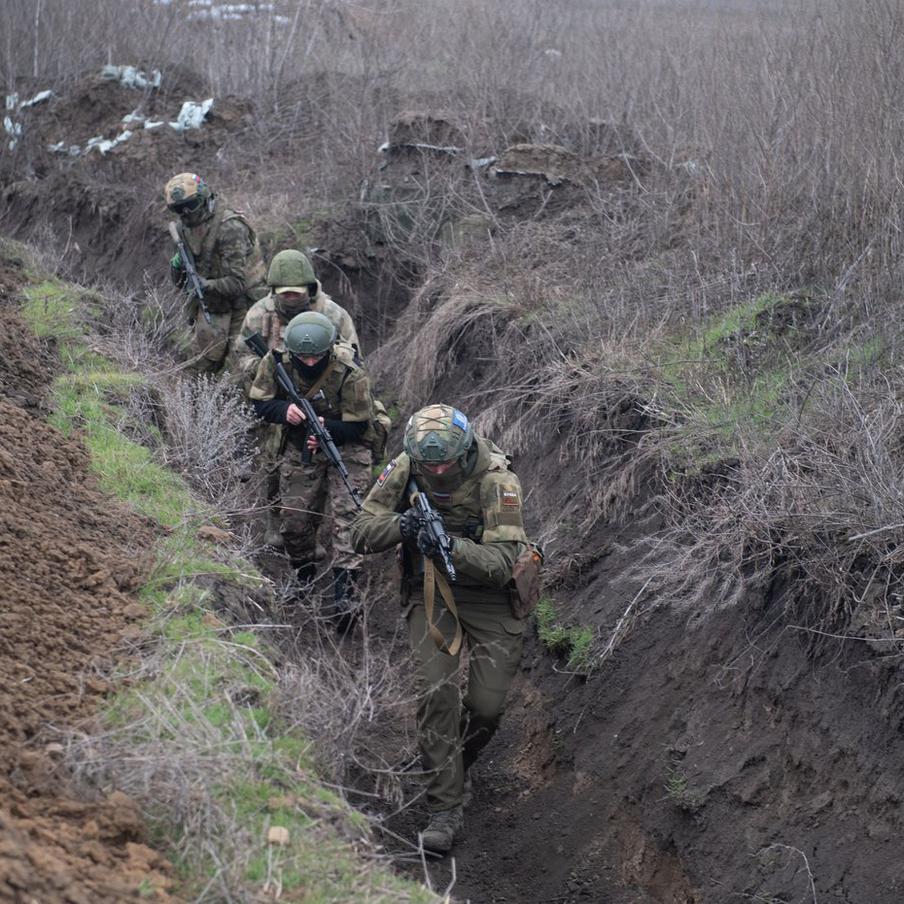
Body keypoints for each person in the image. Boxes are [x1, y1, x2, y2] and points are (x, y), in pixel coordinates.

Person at [350, 404, 530, 854]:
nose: (438, 470)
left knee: (486, 708)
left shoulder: (497, 479)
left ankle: (451, 764)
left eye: (446, 462)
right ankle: (444, 808)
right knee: (436, 692)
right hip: (430, 590)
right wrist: (403, 527)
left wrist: (451, 544)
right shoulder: (407, 465)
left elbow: (502, 563)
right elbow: (360, 531)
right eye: (430, 465)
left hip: (490, 596)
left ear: (466, 449)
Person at [248, 310, 375, 627]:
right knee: (294, 521)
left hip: (347, 447)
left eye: (315, 356)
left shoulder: (349, 371)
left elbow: (360, 424)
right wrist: (284, 410)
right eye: (302, 357)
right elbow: (260, 402)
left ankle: (344, 595)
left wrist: (326, 426)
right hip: (299, 444)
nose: (308, 362)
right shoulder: (277, 361)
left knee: (349, 518)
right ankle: (303, 573)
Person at [234, 249, 362, 548]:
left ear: (309, 288)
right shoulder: (258, 315)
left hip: (322, 404)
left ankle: (311, 532)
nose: (291, 299)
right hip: (274, 402)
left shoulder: (333, 315)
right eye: (284, 294)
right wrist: (268, 369)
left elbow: (354, 362)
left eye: (297, 294)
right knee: (272, 462)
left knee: (314, 465)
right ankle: (275, 522)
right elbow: (240, 358)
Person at [165, 172, 267, 374]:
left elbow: (237, 283)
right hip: (213, 304)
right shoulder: (182, 230)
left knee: (240, 369)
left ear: (204, 199)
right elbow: (180, 283)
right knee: (197, 367)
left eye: (191, 205)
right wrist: (178, 264)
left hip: (245, 303)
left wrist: (204, 285)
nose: (186, 212)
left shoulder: (230, 228)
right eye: (178, 209)